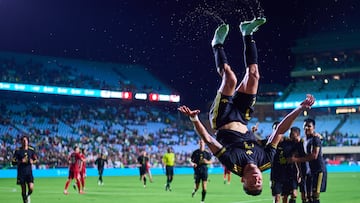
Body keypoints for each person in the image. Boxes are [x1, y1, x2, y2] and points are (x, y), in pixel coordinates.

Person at [177, 15, 315, 195]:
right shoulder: (265, 160)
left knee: (230, 78)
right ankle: (247, 33)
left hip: (222, 118)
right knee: (254, 75)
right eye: (260, 183)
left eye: (252, 184)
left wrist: (195, 119)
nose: (257, 180)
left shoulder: (232, 163)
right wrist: (300, 108)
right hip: (242, 117)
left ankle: (216, 44)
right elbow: (280, 130)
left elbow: (209, 140)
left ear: (243, 180)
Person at [289, 119, 327, 203]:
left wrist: (296, 159)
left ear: (314, 127)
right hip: (309, 171)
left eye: (309, 126)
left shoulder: (315, 139)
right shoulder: (305, 140)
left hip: (318, 170)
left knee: (315, 196)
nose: (306, 128)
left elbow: (314, 155)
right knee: (308, 196)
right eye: (305, 126)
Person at [12, 135, 37, 203]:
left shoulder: (31, 150)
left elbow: (35, 159)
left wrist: (32, 161)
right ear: (21, 142)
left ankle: (28, 195)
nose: (25, 142)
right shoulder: (18, 151)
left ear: (28, 141)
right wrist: (20, 161)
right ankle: (25, 201)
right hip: (21, 172)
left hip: (29, 172)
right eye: (23, 141)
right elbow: (13, 162)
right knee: (23, 188)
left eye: (26, 140)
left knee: (31, 188)